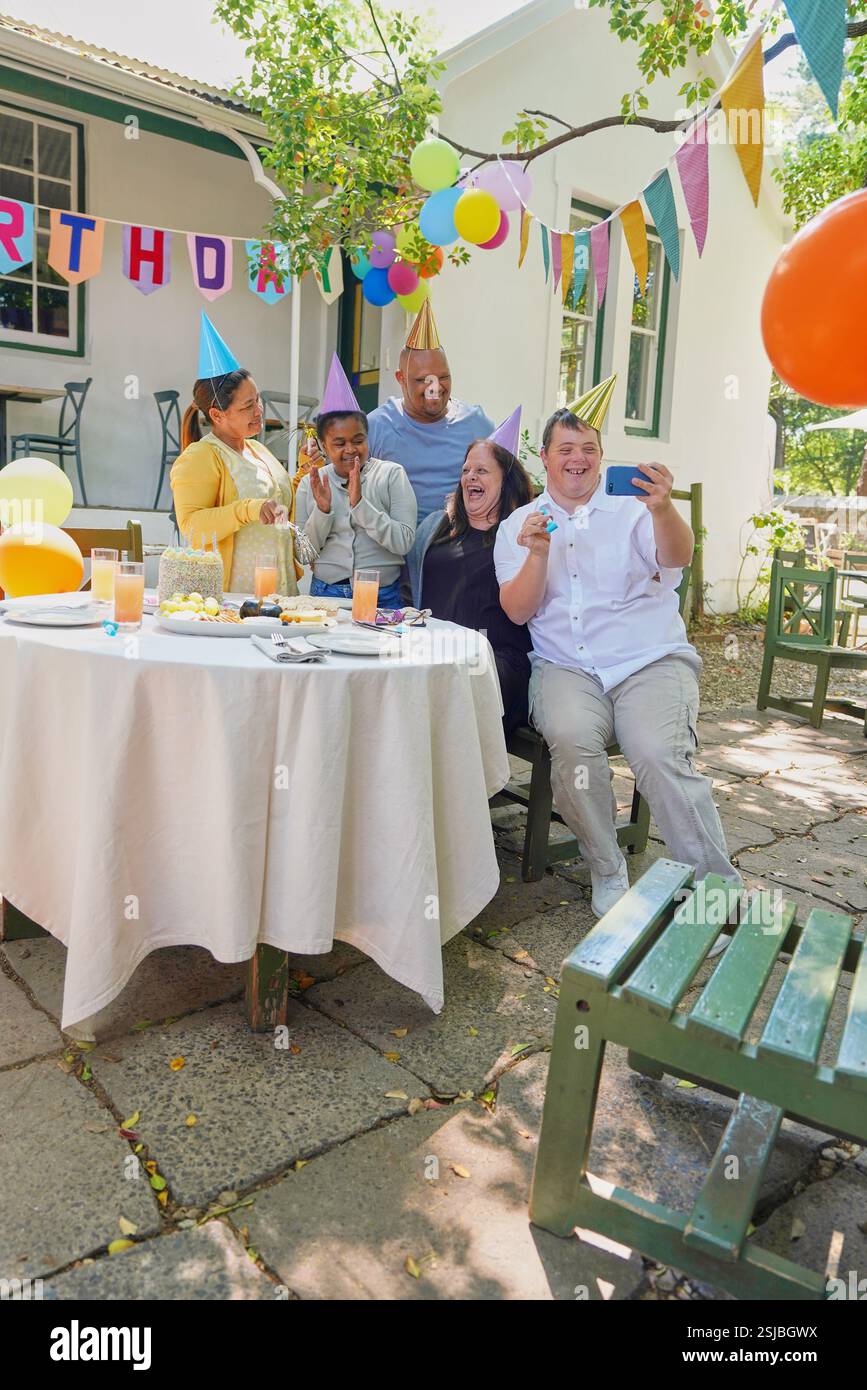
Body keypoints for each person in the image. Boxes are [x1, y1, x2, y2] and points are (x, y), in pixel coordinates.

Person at [494, 380, 738, 920]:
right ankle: (606, 867)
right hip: (566, 668)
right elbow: (517, 611)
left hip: (647, 659)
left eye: (589, 450)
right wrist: (536, 553)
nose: (578, 460)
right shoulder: (518, 523)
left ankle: (717, 892)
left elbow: (676, 558)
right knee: (572, 744)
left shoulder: (634, 508)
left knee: (656, 754)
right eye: (566, 449)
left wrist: (664, 509)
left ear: (601, 457)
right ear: (545, 456)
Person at [408, 407, 533, 733]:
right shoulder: (438, 526)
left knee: (452, 692)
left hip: (493, 657)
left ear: (506, 481)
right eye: (466, 470)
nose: (470, 477)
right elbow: (412, 585)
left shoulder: (521, 536)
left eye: (482, 471)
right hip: (435, 650)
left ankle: (459, 784)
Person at [171, 313, 296, 595]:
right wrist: (248, 509)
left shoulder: (258, 450)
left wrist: (304, 476)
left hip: (280, 596)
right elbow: (192, 529)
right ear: (217, 414)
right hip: (234, 600)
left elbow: (275, 505)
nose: (259, 411)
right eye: (248, 406)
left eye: (258, 400)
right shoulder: (201, 457)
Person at [295, 354, 417, 608]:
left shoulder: (392, 475)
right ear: (324, 447)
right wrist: (323, 510)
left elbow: (404, 541)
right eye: (339, 443)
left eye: (358, 440)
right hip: (326, 595)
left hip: (381, 596)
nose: (350, 449)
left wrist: (360, 504)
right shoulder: (311, 484)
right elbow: (303, 554)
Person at [367, 300, 495, 522]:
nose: (435, 387)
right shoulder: (376, 426)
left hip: (457, 544)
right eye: (422, 380)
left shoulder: (477, 424)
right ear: (401, 379)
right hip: (391, 548)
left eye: (443, 377)